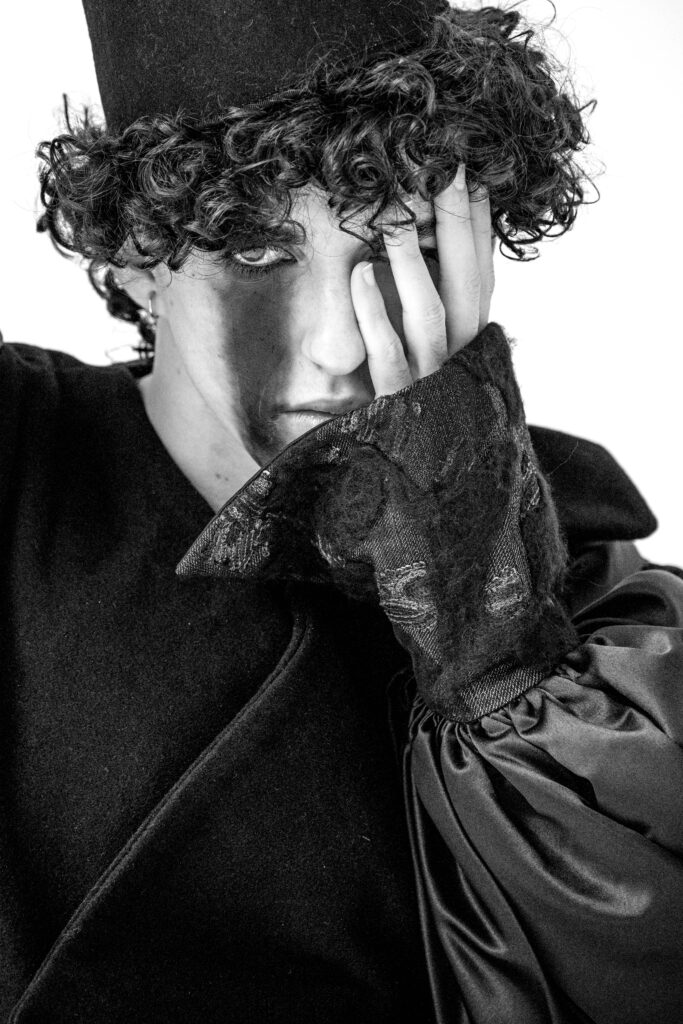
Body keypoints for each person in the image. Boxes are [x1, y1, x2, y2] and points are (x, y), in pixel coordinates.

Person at [1, 1, 681, 1021]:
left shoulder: (591, 593)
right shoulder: (21, 449)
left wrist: (486, 624)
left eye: (402, 244)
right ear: (140, 258)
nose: (337, 343)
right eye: (255, 252)